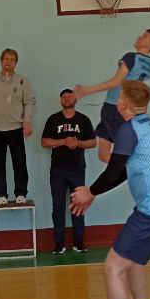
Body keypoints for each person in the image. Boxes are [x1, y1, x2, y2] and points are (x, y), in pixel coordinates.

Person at [71, 81, 150, 299]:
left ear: (122, 104)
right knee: (133, 261)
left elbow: (113, 171)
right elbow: (124, 170)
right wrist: (94, 192)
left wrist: (90, 192)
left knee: (113, 267)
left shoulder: (128, 129)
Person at [73, 27, 150, 163]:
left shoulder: (131, 58)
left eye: (144, 36)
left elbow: (115, 82)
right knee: (103, 155)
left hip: (116, 108)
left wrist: (86, 91)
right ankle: (131, 169)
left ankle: (143, 167)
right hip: (120, 109)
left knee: (124, 153)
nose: (139, 37)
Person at [40, 89, 96, 254]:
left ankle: (79, 242)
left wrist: (77, 143)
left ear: (74, 100)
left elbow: (93, 142)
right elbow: (44, 142)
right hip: (58, 170)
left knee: (78, 206)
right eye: (63, 97)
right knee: (58, 206)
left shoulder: (83, 119)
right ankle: (59, 243)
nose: (66, 99)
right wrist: (64, 141)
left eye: (69, 96)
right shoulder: (53, 119)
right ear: (60, 101)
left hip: (77, 170)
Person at [0, 48, 36, 205]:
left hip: (16, 128)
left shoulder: (23, 81)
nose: (9, 62)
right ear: (1, 61)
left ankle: (21, 193)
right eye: (6, 58)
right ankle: (1, 195)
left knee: (20, 163)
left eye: (12, 59)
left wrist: (27, 121)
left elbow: (30, 101)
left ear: (16, 63)